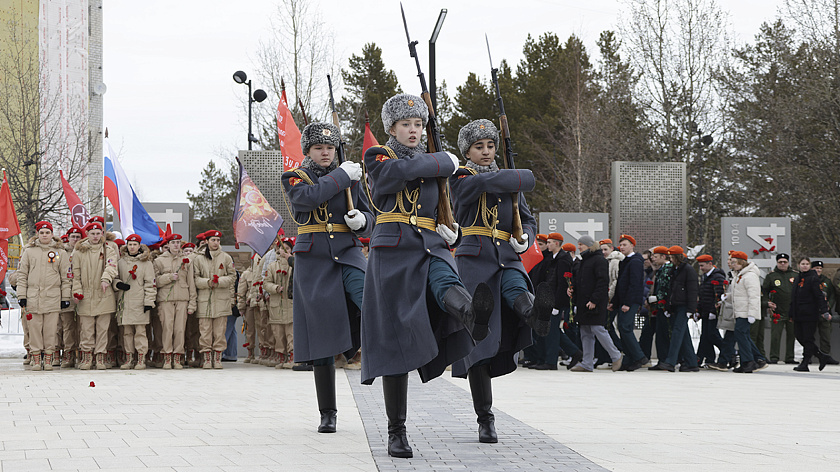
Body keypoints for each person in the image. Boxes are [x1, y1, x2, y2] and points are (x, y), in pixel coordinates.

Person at [361, 93, 494, 458]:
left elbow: (438, 202)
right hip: (393, 249)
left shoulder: (434, 160)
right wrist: (442, 160)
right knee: (395, 342)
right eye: (406, 124)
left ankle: (472, 314)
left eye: (419, 124)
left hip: (431, 242)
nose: (414, 130)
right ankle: (396, 431)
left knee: (446, 279)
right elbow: (392, 177)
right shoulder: (378, 156)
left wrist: (448, 227)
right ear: (392, 129)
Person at [449, 119, 550, 443]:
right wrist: (516, 177)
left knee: (516, 287)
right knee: (478, 343)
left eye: (491, 146)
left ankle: (535, 313)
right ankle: (485, 418)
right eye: (479, 147)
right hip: (474, 259)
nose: (486, 151)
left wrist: (525, 236)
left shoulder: (510, 182)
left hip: (506, 255)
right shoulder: (460, 176)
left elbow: (528, 218)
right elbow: (473, 188)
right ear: (467, 151)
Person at [281, 121, 372, 434]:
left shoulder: (349, 176)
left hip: (347, 252)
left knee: (369, 300)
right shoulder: (295, 176)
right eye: (319, 147)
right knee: (320, 339)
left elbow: (370, 215)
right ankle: (328, 412)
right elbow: (307, 198)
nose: (325, 152)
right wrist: (342, 176)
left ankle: (379, 354)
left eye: (330, 147)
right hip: (314, 258)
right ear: (308, 150)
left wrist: (363, 222)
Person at [17, 221, 71, 371]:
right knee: (34, 329)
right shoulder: (29, 252)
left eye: (47, 232)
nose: (45, 235)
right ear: (38, 234)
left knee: (50, 330)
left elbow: (66, 278)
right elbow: (22, 275)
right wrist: (22, 295)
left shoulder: (60, 252)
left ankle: (48, 359)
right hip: (33, 297)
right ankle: (36, 359)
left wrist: (65, 298)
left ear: (52, 234)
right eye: (42, 233)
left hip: (52, 297)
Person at [569, 235, 622, 372]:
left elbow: (602, 282)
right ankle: (587, 363)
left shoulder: (599, 260)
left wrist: (594, 300)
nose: (579, 247)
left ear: (589, 245)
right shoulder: (584, 261)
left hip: (594, 302)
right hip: (583, 302)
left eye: (581, 244)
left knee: (598, 329)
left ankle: (615, 355)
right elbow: (581, 281)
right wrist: (572, 290)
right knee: (585, 332)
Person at [71, 221, 119, 370]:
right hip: (86, 295)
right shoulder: (79, 252)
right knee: (86, 329)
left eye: (98, 233)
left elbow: (111, 266)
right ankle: (87, 358)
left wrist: (106, 279)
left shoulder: (108, 250)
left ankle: (100, 358)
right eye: (93, 233)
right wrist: (77, 291)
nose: (96, 236)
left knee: (103, 329)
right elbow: (75, 275)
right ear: (87, 234)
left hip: (104, 294)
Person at [527, 232, 573, 370]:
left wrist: (557, 305)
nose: (547, 245)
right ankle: (545, 359)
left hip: (555, 302)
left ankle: (551, 361)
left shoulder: (563, 259)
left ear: (556, 243)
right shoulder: (553, 258)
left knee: (551, 333)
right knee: (546, 331)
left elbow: (562, 284)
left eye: (549, 242)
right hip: (547, 299)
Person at [192, 229, 236, 369]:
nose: (216, 243)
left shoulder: (226, 257)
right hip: (204, 300)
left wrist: (219, 281)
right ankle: (206, 358)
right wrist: (207, 282)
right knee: (205, 331)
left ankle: (217, 358)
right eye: (213, 240)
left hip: (221, 300)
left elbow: (232, 276)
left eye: (218, 240)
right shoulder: (199, 259)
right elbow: (195, 279)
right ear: (207, 241)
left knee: (219, 332)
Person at [152, 234, 197, 369]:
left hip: (182, 298)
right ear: (168, 244)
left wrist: (192, 303)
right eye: (173, 242)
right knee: (167, 329)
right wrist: (168, 277)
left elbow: (191, 282)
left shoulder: (187, 260)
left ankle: (177, 357)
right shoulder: (159, 261)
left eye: (178, 242)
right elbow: (155, 281)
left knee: (180, 329)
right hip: (166, 299)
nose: (176, 245)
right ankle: (167, 357)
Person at [113, 235, 156, 370]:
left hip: (139, 301)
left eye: (134, 244)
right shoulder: (121, 262)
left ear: (139, 246)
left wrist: (149, 301)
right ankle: (129, 358)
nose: (132, 247)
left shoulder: (146, 263)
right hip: (125, 301)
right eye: (130, 244)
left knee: (140, 332)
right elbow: (115, 277)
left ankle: (141, 358)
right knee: (127, 332)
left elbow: (150, 283)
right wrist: (118, 284)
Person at [609, 234, 649, 371]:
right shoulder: (625, 261)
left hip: (630, 301)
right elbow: (620, 284)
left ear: (632, 246)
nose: (622, 247)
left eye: (625, 244)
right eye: (620, 245)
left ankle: (639, 357)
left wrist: (627, 303)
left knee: (625, 327)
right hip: (624, 301)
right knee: (623, 328)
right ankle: (629, 359)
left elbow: (634, 284)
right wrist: (614, 302)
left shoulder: (635, 261)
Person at [656, 246, 699, 372]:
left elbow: (693, 291)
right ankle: (692, 363)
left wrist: (691, 309)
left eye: (672, 257)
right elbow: (670, 290)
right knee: (683, 335)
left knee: (677, 333)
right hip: (676, 305)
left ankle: (670, 362)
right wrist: (668, 307)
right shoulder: (675, 270)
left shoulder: (688, 270)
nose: (671, 259)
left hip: (684, 306)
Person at [726, 251, 767, 373]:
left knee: (740, 334)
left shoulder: (750, 276)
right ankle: (756, 359)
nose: (732, 264)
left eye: (734, 262)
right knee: (743, 335)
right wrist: (727, 297)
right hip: (740, 311)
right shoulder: (739, 275)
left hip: (746, 312)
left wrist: (752, 314)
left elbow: (754, 296)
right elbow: (739, 293)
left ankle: (748, 361)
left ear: (741, 262)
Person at [790, 257, 832, 372]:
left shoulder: (813, 278)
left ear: (810, 266)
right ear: (798, 265)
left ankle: (805, 362)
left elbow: (819, 296)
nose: (804, 266)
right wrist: (791, 313)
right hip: (798, 313)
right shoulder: (798, 278)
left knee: (808, 338)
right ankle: (821, 356)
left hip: (809, 313)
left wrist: (824, 311)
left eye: (807, 264)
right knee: (799, 336)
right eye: (802, 264)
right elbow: (793, 297)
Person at [264, 241, 294, 369]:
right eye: (282, 248)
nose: (284, 251)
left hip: (290, 304)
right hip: (276, 305)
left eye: (287, 248)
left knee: (291, 333)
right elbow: (266, 283)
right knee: (278, 333)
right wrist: (275, 288)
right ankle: (281, 357)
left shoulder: (294, 265)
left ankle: (292, 357)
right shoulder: (272, 266)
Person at [761, 253, 796, 364]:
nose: (782, 264)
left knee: (791, 335)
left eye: (785, 262)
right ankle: (774, 357)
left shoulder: (795, 275)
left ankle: (790, 357)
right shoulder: (771, 276)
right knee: (775, 335)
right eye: (780, 262)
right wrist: (767, 303)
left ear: (788, 263)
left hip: (792, 310)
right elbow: (764, 291)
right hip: (777, 311)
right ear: (777, 263)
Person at [696, 254, 726, 367]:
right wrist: (698, 310)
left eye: (702, 265)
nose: (701, 268)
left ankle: (730, 353)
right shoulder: (705, 277)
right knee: (705, 336)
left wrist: (713, 311)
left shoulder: (717, 277)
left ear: (710, 264)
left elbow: (719, 296)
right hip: (705, 312)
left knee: (712, 335)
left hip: (712, 312)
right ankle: (708, 359)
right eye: (700, 266)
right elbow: (702, 296)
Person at [812, 261, 838, 364]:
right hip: (812, 313)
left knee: (826, 336)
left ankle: (826, 356)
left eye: (820, 268)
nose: (818, 270)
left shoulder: (826, 281)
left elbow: (832, 295)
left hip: (825, 313)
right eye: (816, 268)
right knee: (809, 336)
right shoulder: (809, 280)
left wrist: (829, 305)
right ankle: (808, 356)